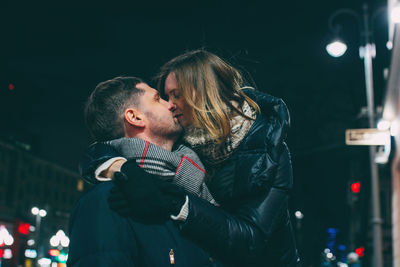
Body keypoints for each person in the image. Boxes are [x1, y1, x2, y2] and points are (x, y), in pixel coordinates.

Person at [83, 50, 301, 266]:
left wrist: (177, 202)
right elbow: (107, 145)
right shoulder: (179, 151)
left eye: (176, 94)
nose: (171, 104)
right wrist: (119, 167)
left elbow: (251, 240)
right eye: (164, 97)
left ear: (204, 92)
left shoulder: (267, 150)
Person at [67, 76, 223, 266]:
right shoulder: (107, 201)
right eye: (158, 99)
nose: (171, 105)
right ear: (135, 117)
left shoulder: (192, 183)